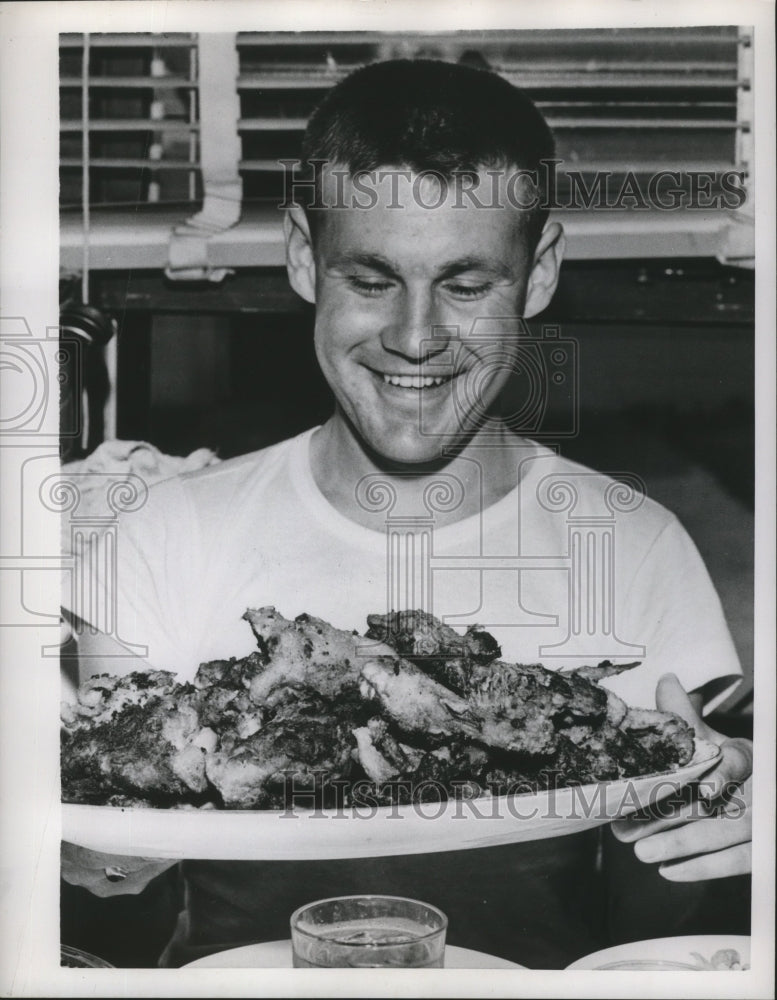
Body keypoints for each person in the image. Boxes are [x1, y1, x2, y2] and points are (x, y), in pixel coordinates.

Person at [61, 59, 752, 968]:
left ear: (538, 273)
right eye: (373, 278)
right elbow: (121, 923)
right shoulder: (164, 534)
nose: (416, 337)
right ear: (305, 256)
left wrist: (720, 831)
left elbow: (657, 937)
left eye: (466, 286)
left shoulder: (631, 543)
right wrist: (80, 856)